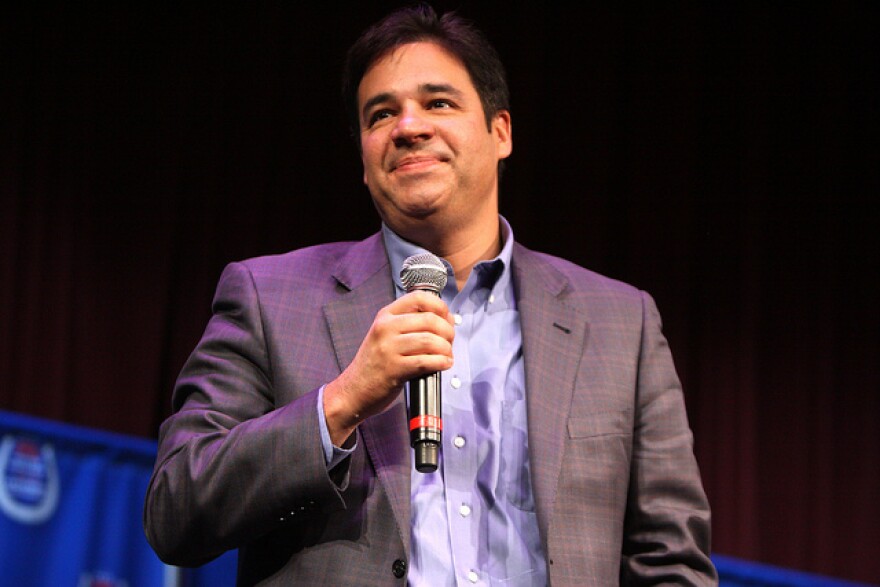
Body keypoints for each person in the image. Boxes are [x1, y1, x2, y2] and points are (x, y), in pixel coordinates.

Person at [144, 4, 717, 585]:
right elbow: (175, 511)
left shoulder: (621, 323)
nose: (408, 126)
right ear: (365, 162)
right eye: (380, 114)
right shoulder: (269, 297)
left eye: (438, 103)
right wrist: (340, 402)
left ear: (501, 132)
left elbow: (671, 562)